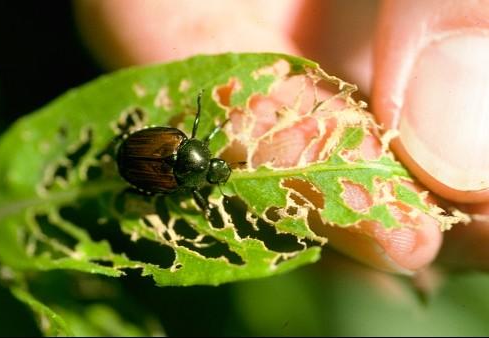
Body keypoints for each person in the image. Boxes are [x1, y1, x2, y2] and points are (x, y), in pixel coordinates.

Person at [74, 0, 489, 274]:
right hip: (138, 156)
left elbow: (191, 139)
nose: (221, 162)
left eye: (216, 163)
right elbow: (191, 141)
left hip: (140, 156)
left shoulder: (187, 153)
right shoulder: (187, 158)